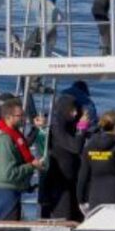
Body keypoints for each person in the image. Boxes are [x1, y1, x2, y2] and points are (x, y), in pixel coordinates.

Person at [0, 97, 42, 221]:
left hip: (7, 189)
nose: (23, 119)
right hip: (4, 191)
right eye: (19, 116)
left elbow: (23, 147)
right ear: (8, 117)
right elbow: (8, 173)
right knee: (4, 227)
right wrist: (31, 166)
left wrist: (36, 129)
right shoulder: (4, 140)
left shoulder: (13, 136)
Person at [38, 93, 89, 221]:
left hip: (71, 179)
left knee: (77, 217)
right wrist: (81, 128)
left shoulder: (69, 125)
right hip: (59, 180)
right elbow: (75, 147)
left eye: (77, 110)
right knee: (64, 218)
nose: (75, 113)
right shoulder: (57, 126)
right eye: (72, 110)